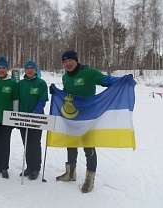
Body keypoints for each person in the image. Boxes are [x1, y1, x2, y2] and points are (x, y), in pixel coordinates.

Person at [55, 50, 120, 193]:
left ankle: (89, 179)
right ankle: (70, 173)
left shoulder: (89, 72)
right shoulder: (65, 77)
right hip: (72, 117)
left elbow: (104, 80)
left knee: (88, 147)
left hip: (89, 117)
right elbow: (67, 93)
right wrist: (57, 92)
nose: (67, 64)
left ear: (76, 60)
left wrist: (119, 81)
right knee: (71, 144)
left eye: (69, 60)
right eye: (64, 62)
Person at [18, 61, 48, 180]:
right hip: (22, 119)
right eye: (27, 68)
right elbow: (16, 99)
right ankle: (29, 166)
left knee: (35, 143)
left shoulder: (41, 83)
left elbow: (42, 100)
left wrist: (34, 114)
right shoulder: (20, 83)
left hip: (36, 119)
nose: (29, 70)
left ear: (36, 70)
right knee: (26, 143)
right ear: (24, 70)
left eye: (32, 68)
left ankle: (36, 168)